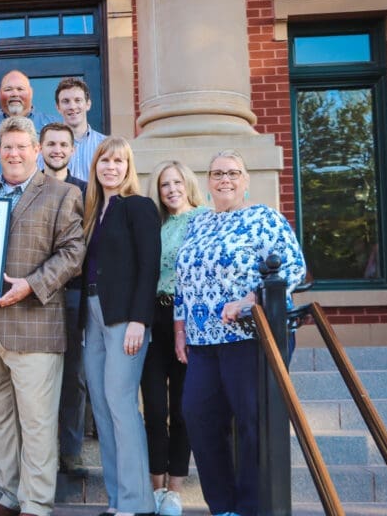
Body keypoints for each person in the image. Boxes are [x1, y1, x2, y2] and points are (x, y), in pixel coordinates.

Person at [0, 116, 85, 516]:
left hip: (34, 322)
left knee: (36, 423)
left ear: (36, 150)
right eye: (7, 147)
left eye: (21, 147)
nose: (13, 154)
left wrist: (30, 284)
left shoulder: (61, 193)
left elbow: (72, 253)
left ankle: (36, 504)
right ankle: (9, 495)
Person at [175, 150, 306, 516]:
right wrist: (180, 329)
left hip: (248, 336)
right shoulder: (197, 223)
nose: (225, 179)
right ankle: (223, 506)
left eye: (233, 173)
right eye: (217, 173)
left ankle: (250, 507)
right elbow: (183, 283)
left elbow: (293, 267)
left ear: (246, 181)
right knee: (197, 417)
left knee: (252, 422)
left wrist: (248, 300)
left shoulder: (262, 218)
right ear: (207, 181)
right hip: (202, 341)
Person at [81, 136, 161, 516]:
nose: (111, 167)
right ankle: (116, 501)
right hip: (93, 317)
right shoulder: (92, 211)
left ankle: (136, 501)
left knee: (121, 403)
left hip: (124, 318)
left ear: (128, 168)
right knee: (101, 405)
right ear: (95, 166)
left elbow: (149, 267)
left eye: (118, 161)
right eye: (104, 161)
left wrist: (139, 321)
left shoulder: (138, 207)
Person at [142, 161, 206, 516]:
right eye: (164, 184)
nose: (171, 190)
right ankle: (155, 487)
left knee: (182, 409)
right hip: (154, 318)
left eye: (177, 182)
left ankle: (175, 490)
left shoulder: (202, 220)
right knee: (154, 408)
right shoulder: (155, 224)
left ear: (188, 184)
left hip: (190, 322)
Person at [38, 122, 89, 479]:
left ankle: (70, 452)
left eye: (63, 144)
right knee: (35, 378)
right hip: (31, 295)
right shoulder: (29, 188)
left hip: (71, 293)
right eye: (51, 144)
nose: (57, 149)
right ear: (40, 148)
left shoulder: (88, 192)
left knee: (73, 376)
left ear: (73, 150)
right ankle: (35, 453)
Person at [0, 70, 57, 181]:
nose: (15, 94)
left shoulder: (53, 127)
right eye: (8, 89)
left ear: (31, 93)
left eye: (20, 89)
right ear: (0, 93)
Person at [52, 78, 106, 182]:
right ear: (58, 107)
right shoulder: (48, 149)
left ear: (88, 104)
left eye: (78, 100)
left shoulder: (105, 145)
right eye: (66, 101)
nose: (72, 106)